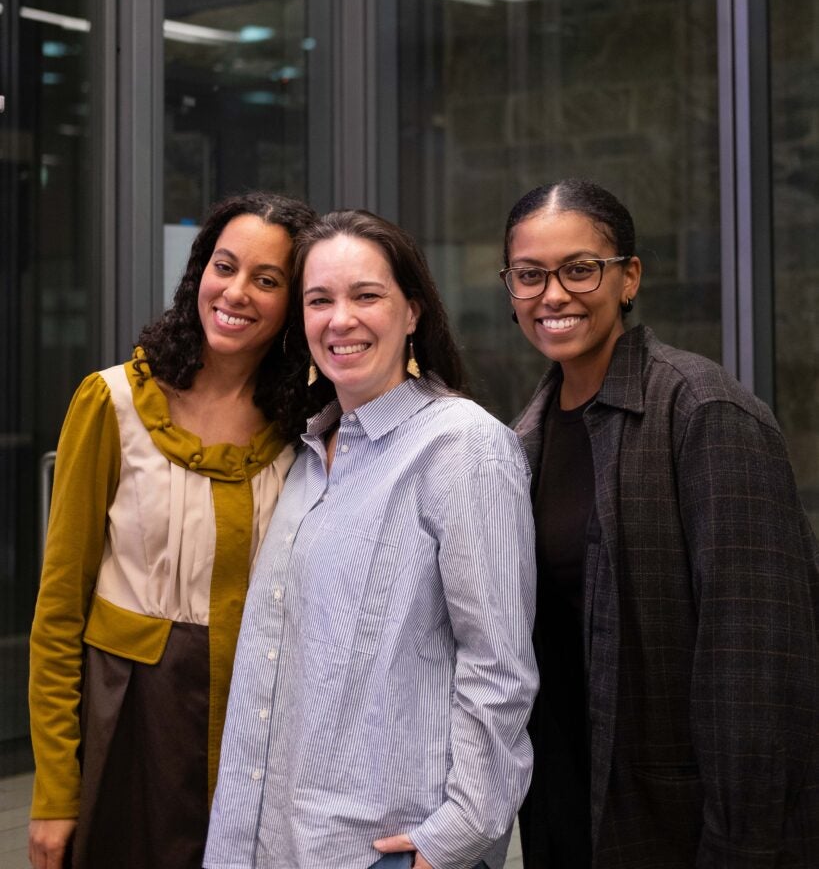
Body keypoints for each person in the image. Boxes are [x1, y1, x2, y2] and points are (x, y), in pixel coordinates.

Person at [204, 210, 538, 869]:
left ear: (412, 311)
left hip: (381, 847)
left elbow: (497, 667)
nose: (339, 319)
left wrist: (455, 836)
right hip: (267, 842)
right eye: (318, 300)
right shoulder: (304, 454)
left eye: (365, 296)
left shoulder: (462, 448)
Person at [501, 179, 819, 868]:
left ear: (628, 278)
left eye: (579, 269)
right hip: (562, 814)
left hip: (679, 829)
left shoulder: (702, 412)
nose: (552, 295)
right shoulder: (519, 440)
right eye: (529, 276)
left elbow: (760, 670)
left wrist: (745, 846)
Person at [28, 192, 317, 869]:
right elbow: (58, 611)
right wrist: (52, 793)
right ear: (199, 273)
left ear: (294, 304)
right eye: (225, 266)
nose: (236, 292)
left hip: (262, 724)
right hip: (129, 720)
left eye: (267, 280)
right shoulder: (114, 401)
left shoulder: (307, 427)